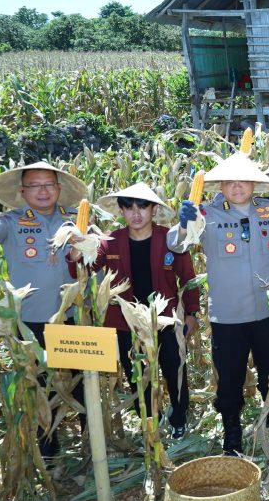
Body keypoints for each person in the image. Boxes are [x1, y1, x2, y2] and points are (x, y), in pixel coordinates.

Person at [169, 153, 269, 455]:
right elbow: (177, 245)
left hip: (268, 311)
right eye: (230, 182)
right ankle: (232, 434)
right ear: (221, 186)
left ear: (253, 184)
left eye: (243, 181)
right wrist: (184, 224)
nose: (237, 187)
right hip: (228, 316)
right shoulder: (206, 213)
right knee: (230, 379)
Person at [0, 161, 87, 457]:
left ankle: (91, 439)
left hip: (72, 317)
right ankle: (48, 444)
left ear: (59, 189)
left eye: (49, 184)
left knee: (82, 381)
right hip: (31, 321)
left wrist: (88, 246)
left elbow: (98, 260)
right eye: (35, 185)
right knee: (40, 385)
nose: (43, 191)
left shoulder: (75, 219)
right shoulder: (10, 221)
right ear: (23, 191)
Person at [71, 183, 199, 439]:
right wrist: (76, 251)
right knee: (136, 377)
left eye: (142, 206)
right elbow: (81, 272)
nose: (136, 213)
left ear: (153, 210)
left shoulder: (171, 240)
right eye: (128, 207)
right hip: (124, 322)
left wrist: (192, 313)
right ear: (121, 211)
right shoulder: (110, 243)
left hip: (165, 318)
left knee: (174, 369)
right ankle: (151, 420)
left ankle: (178, 417)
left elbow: (188, 278)